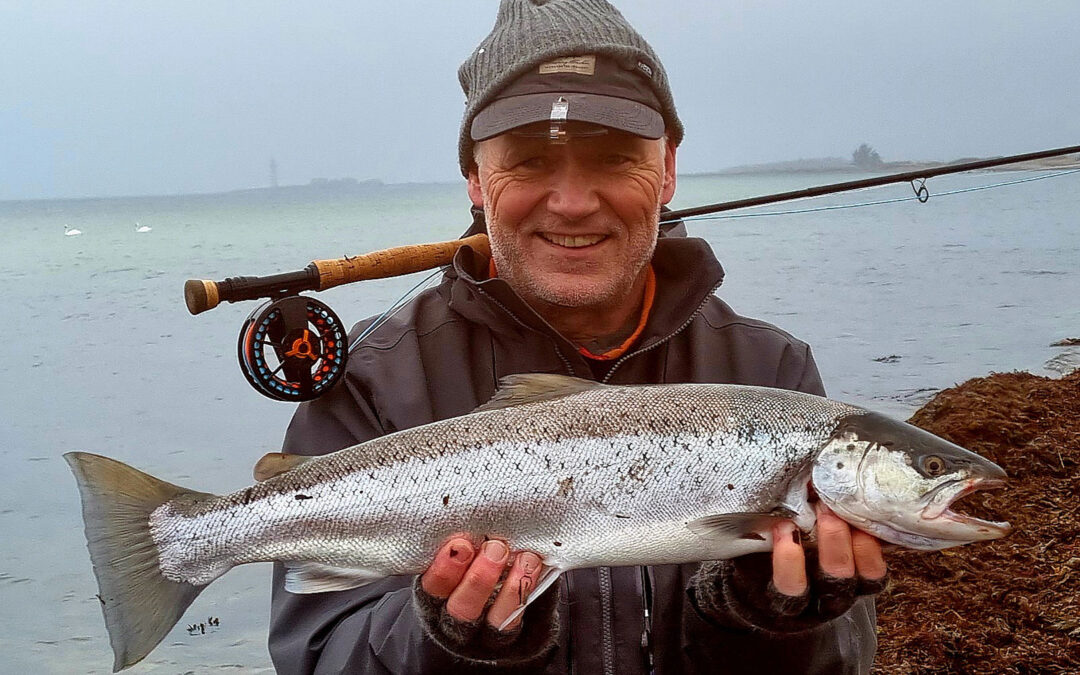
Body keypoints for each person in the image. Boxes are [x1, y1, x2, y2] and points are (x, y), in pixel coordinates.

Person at [269, 1, 887, 673]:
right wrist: (446, 646)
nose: (571, 201)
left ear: (668, 168)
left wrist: (762, 623)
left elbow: (844, 656)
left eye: (615, 158)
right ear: (475, 178)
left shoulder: (772, 369)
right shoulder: (372, 379)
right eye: (530, 160)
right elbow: (318, 653)